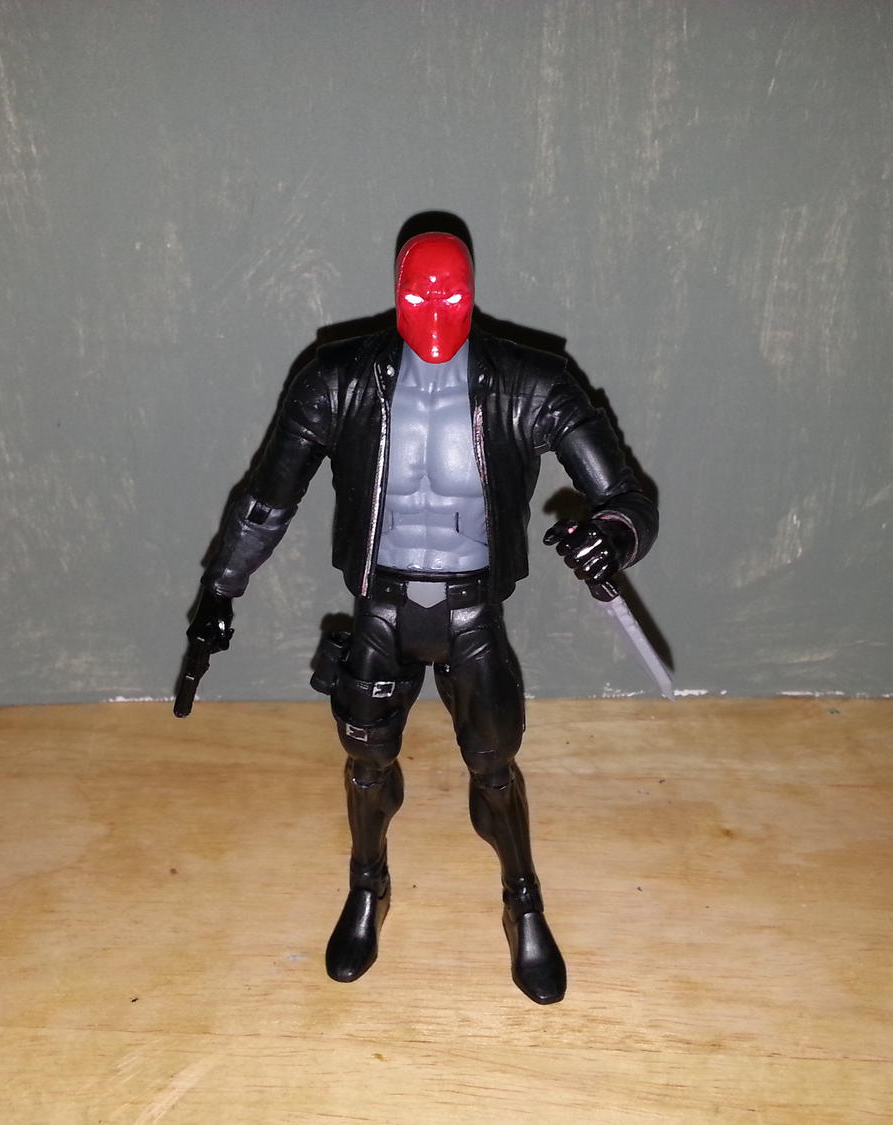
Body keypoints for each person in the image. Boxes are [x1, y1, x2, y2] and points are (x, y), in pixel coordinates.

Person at [178, 231, 657, 1003]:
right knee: (366, 761)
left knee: (494, 764)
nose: (435, 310)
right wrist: (221, 588)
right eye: (418, 295)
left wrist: (613, 535)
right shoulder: (337, 378)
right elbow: (269, 498)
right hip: (382, 607)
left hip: (473, 610)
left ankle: (522, 897)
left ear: (474, 291)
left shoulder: (531, 381)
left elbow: (627, 496)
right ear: (396, 290)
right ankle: (368, 882)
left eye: (451, 295)